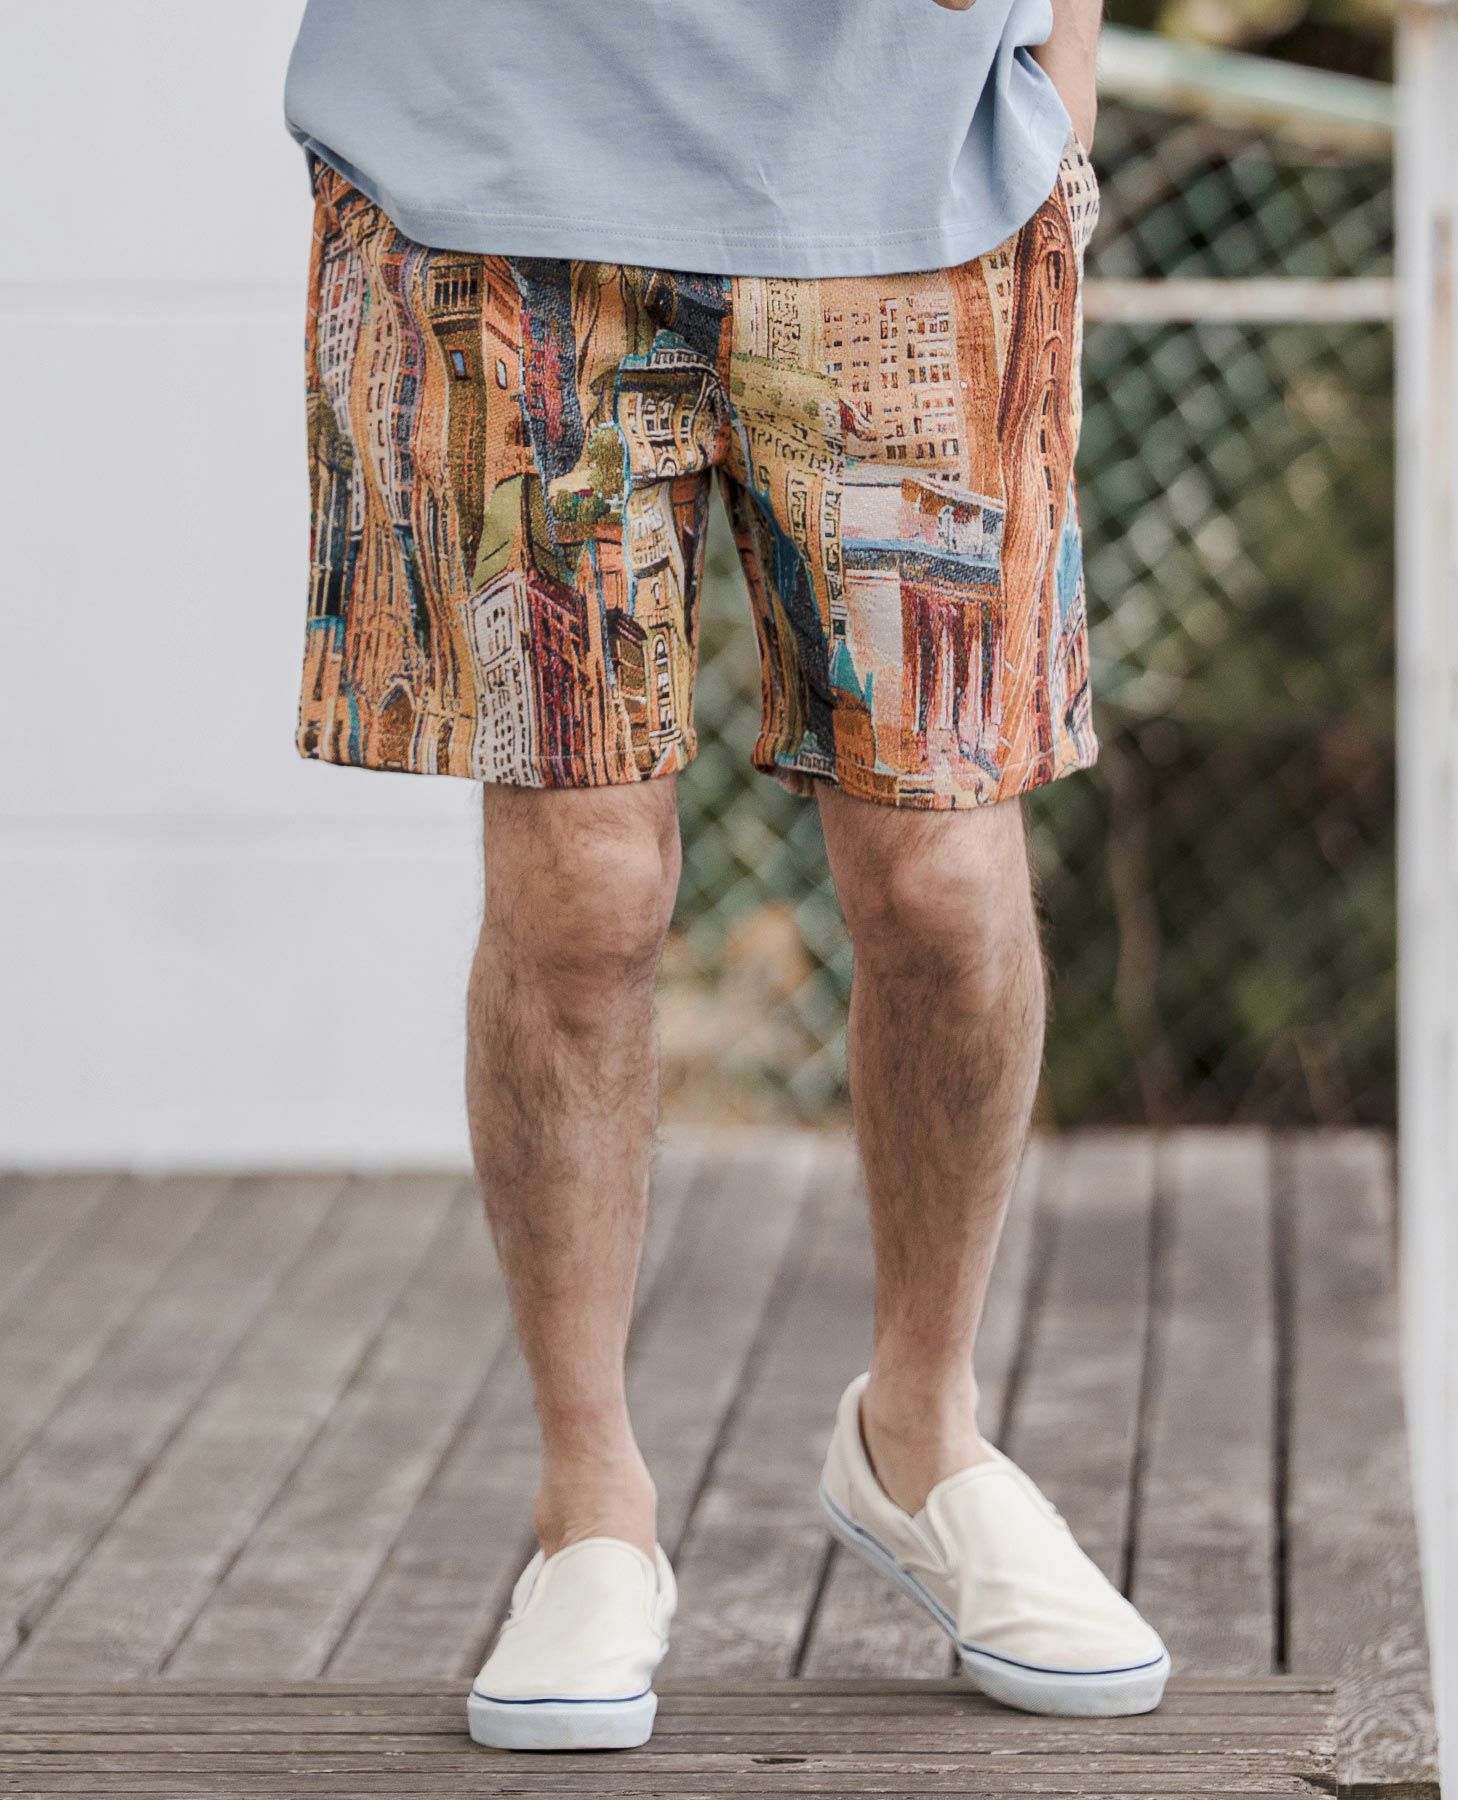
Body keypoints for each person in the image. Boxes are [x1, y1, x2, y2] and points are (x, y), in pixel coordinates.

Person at [283, 0, 1168, 1753]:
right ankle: (589, 1511)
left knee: (943, 887)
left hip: (913, 186)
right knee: (583, 899)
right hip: (500, 174)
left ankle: (923, 1433)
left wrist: (1065, 81)